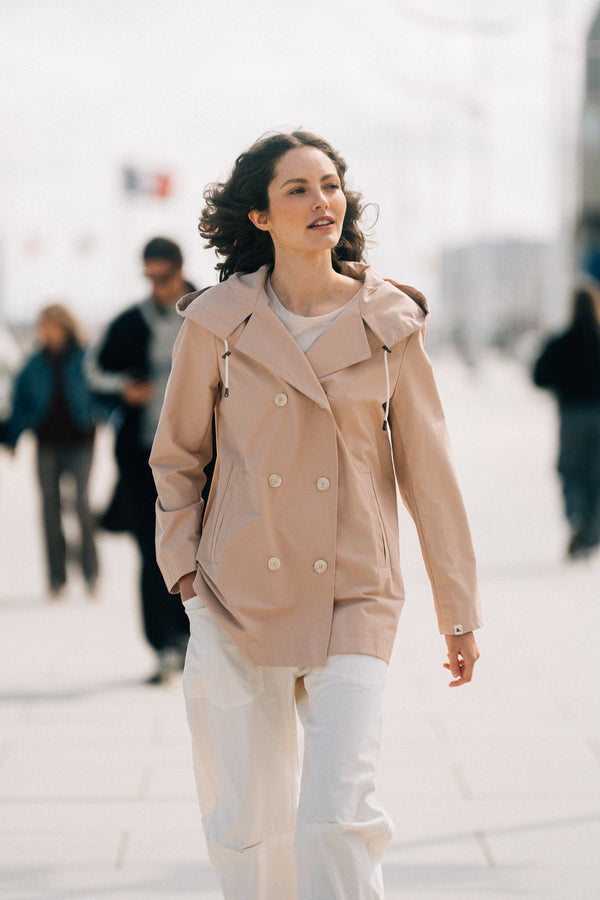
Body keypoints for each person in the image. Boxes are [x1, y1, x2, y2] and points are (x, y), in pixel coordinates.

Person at [150, 131, 482, 899]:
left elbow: (430, 475)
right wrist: (186, 578)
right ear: (259, 216)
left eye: (330, 185)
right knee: (249, 825)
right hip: (235, 596)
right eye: (297, 189)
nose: (321, 201)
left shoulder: (390, 323)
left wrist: (457, 610)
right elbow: (178, 458)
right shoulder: (217, 323)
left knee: (338, 816)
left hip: (354, 591)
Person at [86, 237, 199, 683]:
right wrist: (123, 390)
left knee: (204, 553)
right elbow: (94, 371)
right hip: (143, 458)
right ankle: (165, 646)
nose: (156, 285)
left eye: (163, 276)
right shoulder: (129, 323)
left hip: (205, 458)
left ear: (179, 269)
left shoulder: (209, 309)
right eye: (149, 277)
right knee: (153, 554)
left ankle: (199, 641)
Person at [5, 304, 98, 597]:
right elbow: (19, 404)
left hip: (81, 441)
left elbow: (102, 390)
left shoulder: (85, 357)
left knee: (81, 504)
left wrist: (102, 416)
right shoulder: (32, 364)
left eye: (51, 326)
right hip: (47, 444)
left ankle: (90, 571)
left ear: (65, 326)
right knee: (49, 508)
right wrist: (11, 438)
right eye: (42, 327)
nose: (46, 332)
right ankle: (57, 578)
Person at [533, 281, 600, 559]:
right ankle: (591, 532)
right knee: (596, 476)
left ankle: (576, 516)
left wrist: (562, 384)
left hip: (571, 415)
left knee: (570, 471)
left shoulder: (560, 342)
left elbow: (538, 376)